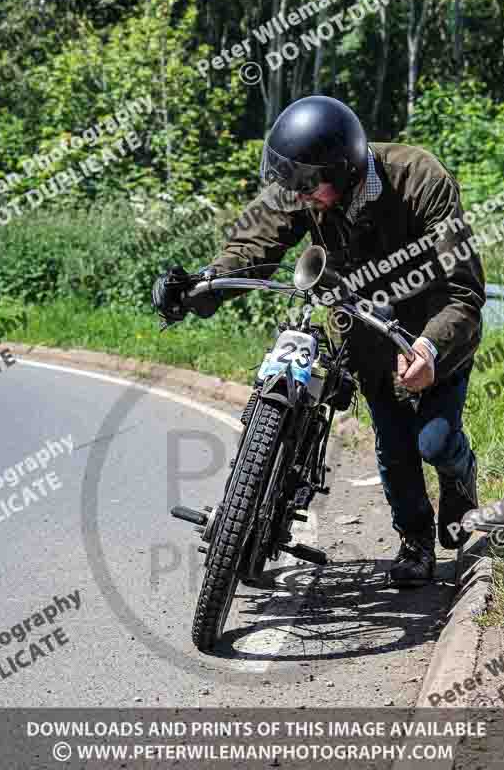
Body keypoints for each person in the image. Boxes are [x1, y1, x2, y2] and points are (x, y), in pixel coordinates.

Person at [152, 95, 486, 586]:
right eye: (292, 185)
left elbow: (463, 292)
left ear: (346, 172)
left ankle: (461, 474)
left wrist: (430, 348)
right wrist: (202, 285)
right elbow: (253, 244)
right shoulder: (302, 181)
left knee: (433, 443)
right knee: (395, 446)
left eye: (309, 187)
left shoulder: (421, 178)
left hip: (432, 329)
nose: (298, 195)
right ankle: (415, 542)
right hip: (366, 337)